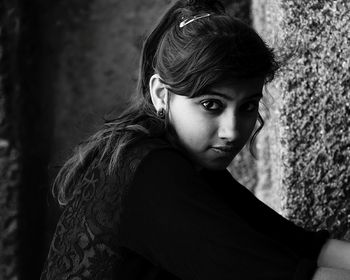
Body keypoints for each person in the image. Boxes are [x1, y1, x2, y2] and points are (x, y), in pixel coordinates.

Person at [40, 0, 350, 279]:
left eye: (247, 106)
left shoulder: (182, 158)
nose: (231, 131)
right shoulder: (151, 172)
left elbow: (302, 247)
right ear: (162, 93)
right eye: (211, 105)